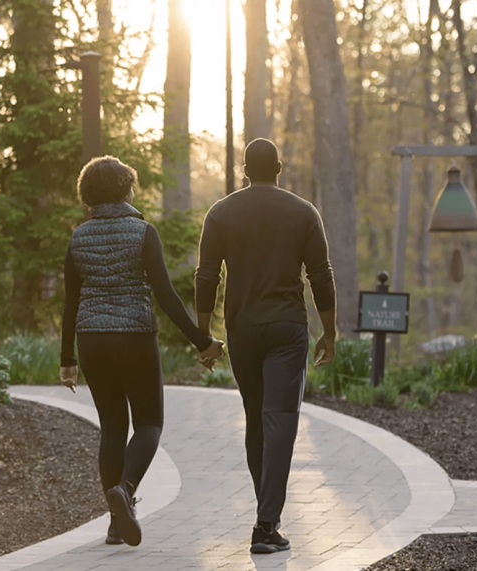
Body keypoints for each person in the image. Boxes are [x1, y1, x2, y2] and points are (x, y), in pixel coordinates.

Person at [59, 156, 225, 547]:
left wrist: (67, 360)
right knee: (149, 423)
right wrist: (203, 342)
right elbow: (165, 295)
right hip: (133, 335)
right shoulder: (142, 232)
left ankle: (116, 525)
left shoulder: (78, 237)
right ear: (125, 188)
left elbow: (70, 303)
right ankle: (126, 490)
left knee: (113, 428)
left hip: (92, 339)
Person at [194, 139, 336, 554]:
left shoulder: (220, 214)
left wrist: (204, 336)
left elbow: (206, 277)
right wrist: (330, 331)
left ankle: (266, 516)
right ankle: (266, 522)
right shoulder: (303, 212)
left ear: (243, 170)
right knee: (279, 421)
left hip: (243, 331)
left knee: (257, 421)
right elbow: (321, 276)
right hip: (288, 329)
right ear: (279, 168)